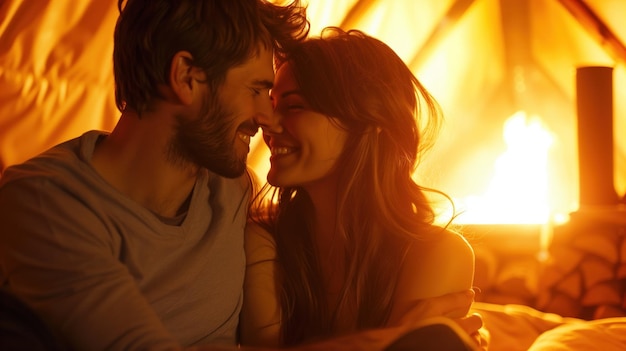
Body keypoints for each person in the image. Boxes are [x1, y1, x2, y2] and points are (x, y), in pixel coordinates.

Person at [0, 0, 309, 349]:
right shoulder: (43, 201)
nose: (268, 117)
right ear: (185, 77)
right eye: (256, 90)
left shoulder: (233, 191)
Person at [240, 27, 481, 348]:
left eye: (294, 106)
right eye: (272, 105)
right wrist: (390, 339)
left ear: (366, 122)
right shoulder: (264, 242)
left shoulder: (439, 254)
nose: (268, 123)